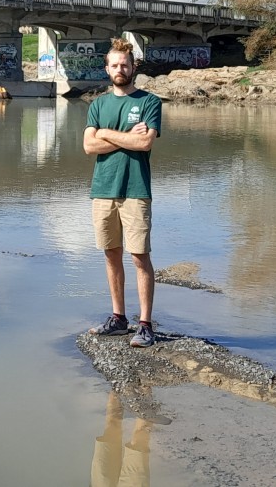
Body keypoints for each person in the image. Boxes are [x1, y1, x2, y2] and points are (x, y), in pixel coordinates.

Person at [83, 38, 162, 348]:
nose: (120, 69)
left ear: (133, 67)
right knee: (111, 255)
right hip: (102, 190)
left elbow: (145, 143)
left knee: (140, 257)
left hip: (136, 190)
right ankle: (118, 319)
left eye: (125, 64)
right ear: (107, 68)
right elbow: (89, 146)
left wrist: (105, 133)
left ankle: (145, 324)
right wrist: (124, 136)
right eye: (114, 65)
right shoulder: (98, 104)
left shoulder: (149, 102)